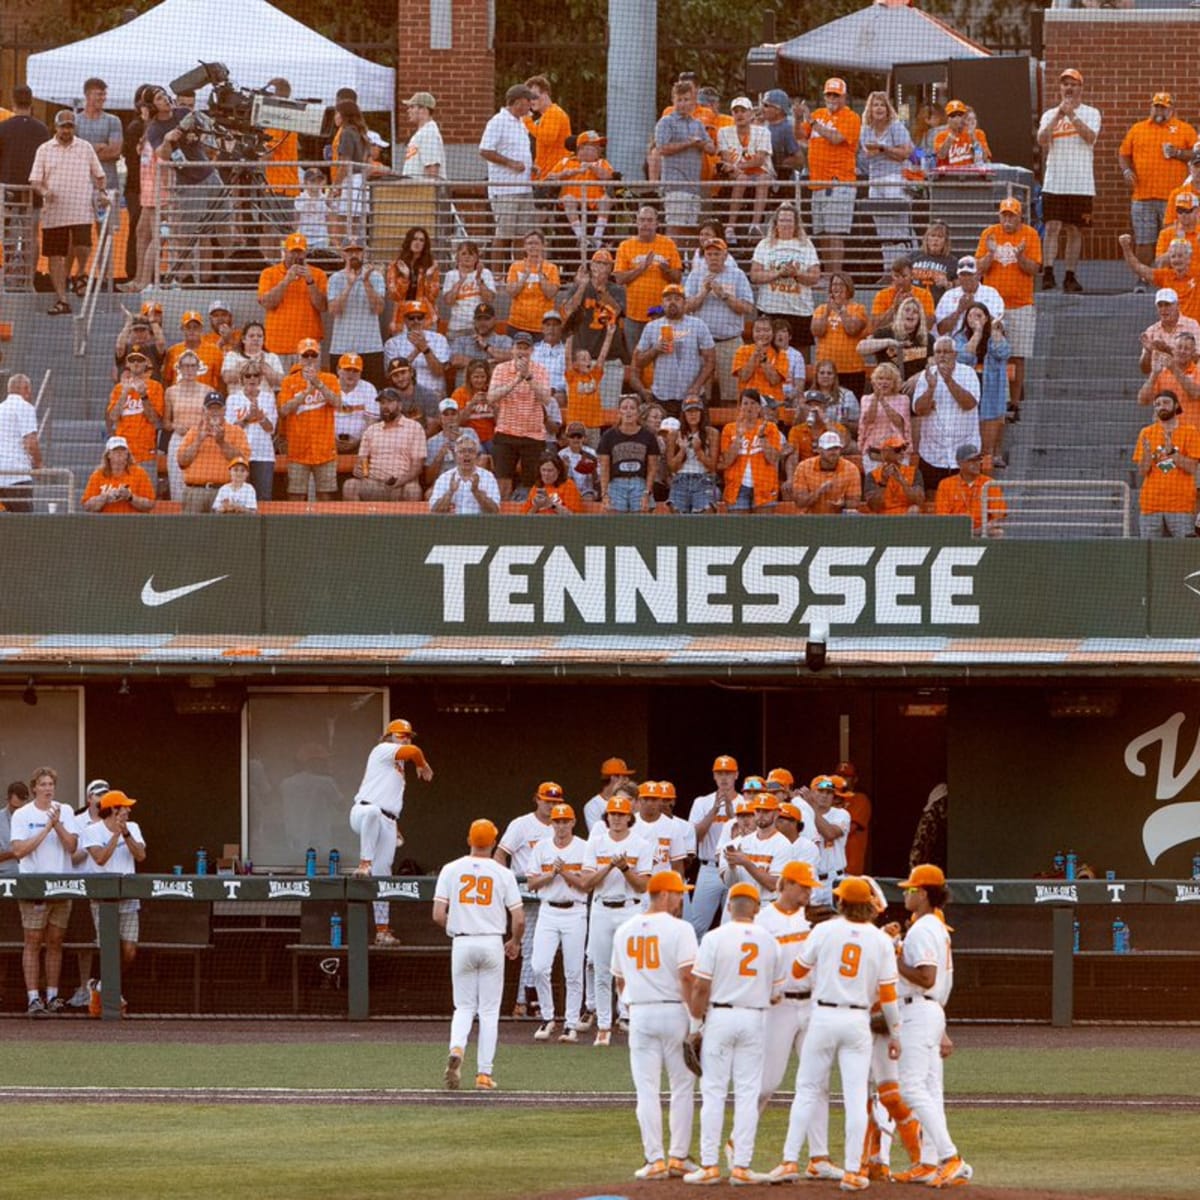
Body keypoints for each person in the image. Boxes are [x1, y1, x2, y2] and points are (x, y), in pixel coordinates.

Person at [767, 876, 901, 1190]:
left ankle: (789, 1160)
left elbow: (798, 971)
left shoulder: (824, 931)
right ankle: (854, 1171)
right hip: (857, 1020)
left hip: (824, 1016)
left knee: (807, 1090)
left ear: (841, 903)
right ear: (868, 905)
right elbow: (889, 997)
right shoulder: (880, 940)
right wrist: (896, 1033)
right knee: (855, 1097)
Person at [683, 882, 781, 1186]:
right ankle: (741, 1166)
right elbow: (777, 994)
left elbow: (700, 986)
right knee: (748, 1093)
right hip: (755, 1017)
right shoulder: (770, 941)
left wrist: (696, 1024)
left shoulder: (713, 938)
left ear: (728, 906)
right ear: (756, 908)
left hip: (720, 1016)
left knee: (713, 1092)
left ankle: (710, 1165)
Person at [754, 859, 841, 1181]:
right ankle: (739, 1147)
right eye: (804, 887)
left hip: (812, 1005)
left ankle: (819, 1158)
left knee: (818, 1082)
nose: (808, 892)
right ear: (787, 884)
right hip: (778, 1006)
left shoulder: (814, 920)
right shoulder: (764, 920)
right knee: (767, 1083)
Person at [611, 869, 700, 1181]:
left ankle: (655, 1160)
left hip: (641, 1013)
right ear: (664, 894)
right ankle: (677, 1156)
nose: (681, 899)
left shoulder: (624, 929)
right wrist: (696, 1019)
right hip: (675, 1011)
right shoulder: (681, 929)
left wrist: (634, 1004)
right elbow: (688, 976)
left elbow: (619, 979)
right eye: (678, 893)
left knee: (646, 1089)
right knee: (682, 1086)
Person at [894, 864, 973, 1188]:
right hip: (930, 1011)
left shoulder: (925, 927)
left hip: (919, 1010)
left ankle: (950, 1157)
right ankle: (928, 1162)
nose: (906, 894)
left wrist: (895, 958)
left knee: (911, 1088)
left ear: (924, 894)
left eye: (910, 890)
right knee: (929, 1091)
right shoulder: (935, 926)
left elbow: (926, 977)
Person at [433, 818, 524, 1092]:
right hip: (491, 941)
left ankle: (457, 1047)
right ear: (494, 842)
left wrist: (457, 928)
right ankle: (484, 1074)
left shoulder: (450, 869)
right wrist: (515, 942)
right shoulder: (502, 873)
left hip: (462, 942)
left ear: (469, 839)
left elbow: (438, 915)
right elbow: (519, 919)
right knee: (488, 1011)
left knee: (463, 1007)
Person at [350, 718, 433, 943]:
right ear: (389, 736)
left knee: (383, 875)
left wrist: (395, 825)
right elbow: (414, 751)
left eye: (407, 735)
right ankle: (364, 863)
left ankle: (382, 930)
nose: (405, 738)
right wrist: (422, 765)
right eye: (400, 734)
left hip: (386, 821)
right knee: (373, 812)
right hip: (363, 812)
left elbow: (389, 799)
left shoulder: (397, 766)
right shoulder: (382, 749)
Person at [581, 795, 651, 1046]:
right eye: (613, 814)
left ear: (630, 817)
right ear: (606, 816)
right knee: (601, 968)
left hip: (629, 908)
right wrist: (609, 867)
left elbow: (643, 886)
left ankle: (629, 1016)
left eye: (622, 814)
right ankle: (603, 1025)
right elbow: (586, 883)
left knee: (630, 967)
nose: (617, 819)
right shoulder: (596, 842)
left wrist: (623, 868)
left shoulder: (642, 843)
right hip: (601, 907)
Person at [10, 767, 79, 1015]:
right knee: (33, 941)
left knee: (55, 941)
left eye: (51, 784)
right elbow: (18, 850)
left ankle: (52, 996)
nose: (48, 788)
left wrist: (57, 823)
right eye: (43, 784)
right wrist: (46, 828)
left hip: (61, 887)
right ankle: (33, 999)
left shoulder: (66, 811)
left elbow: (72, 846)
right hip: (34, 887)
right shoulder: (22, 815)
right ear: (34, 788)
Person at [29, 109, 108, 315]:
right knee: (56, 256)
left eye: (70, 126)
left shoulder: (85, 147)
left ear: (74, 127)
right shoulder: (45, 149)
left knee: (83, 245)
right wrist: (46, 192)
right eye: (63, 126)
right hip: (54, 213)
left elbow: (100, 175)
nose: (67, 130)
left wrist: (101, 192)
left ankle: (80, 273)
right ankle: (62, 299)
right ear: (56, 127)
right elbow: (35, 181)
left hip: (81, 209)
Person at [497, 781, 562, 1021]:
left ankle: (528, 1002)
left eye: (555, 801)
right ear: (537, 798)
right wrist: (506, 886)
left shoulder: (561, 826)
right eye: (547, 800)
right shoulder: (522, 824)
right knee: (530, 949)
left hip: (551, 894)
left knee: (544, 951)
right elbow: (500, 854)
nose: (551, 805)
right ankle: (523, 1001)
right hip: (525, 895)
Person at [525, 801, 589, 1043]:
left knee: (573, 971)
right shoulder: (541, 847)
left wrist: (564, 873)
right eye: (557, 821)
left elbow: (586, 884)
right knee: (539, 966)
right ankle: (548, 1016)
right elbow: (531, 883)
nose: (561, 826)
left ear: (573, 822)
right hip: (548, 910)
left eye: (565, 821)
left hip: (575, 910)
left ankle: (571, 1023)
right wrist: (552, 873)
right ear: (551, 823)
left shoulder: (583, 847)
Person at [975, 198, 1039, 419]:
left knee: (1018, 355)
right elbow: (978, 269)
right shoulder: (989, 234)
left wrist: (1020, 255)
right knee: (993, 353)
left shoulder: (1030, 234)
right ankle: (994, 401)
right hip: (993, 306)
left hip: (1021, 304)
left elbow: (1033, 269)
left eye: (1012, 215)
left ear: (1020, 216)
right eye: (1004, 215)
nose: (1008, 219)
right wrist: (991, 253)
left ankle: (1014, 403)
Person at [1038, 68, 1101, 294]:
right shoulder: (1049, 114)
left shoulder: (1092, 113)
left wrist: (1072, 115)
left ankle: (1070, 275)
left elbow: (1091, 137)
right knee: (1052, 226)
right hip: (1054, 181)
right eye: (1065, 84)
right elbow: (1042, 140)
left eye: (1073, 84)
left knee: (1075, 230)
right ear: (1060, 88)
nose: (1069, 88)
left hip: (1081, 183)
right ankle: (1048, 273)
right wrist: (1058, 115)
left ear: (1080, 88)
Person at [80, 789, 146, 1002]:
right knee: (109, 948)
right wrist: (116, 834)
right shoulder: (92, 830)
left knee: (129, 951)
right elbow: (100, 859)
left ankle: (100, 983)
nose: (128, 810)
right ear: (113, 810)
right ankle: (111, 993)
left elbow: (141, 855)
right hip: (103, 899)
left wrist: (125, 833)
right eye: (124, 807)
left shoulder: (133, 827)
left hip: (128, 897)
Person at [1119, 92, 1196, 271]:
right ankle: (1142, 279)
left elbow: (1196, 154)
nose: (1159, 110)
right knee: (1144, 240)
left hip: (1175, 199)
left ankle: (1174, 277)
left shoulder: (1184, 129)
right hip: (1142, 197)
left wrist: (1178, 153)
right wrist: (1126, 170)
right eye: (1156, 106)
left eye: (1163, 107)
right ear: (1151, 108)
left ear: (1172, 110)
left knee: (1176, 240)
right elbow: (1123, 153)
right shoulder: (1138, 129)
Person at [800, 78, 860, 277]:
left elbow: (836, 138)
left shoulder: (851, 117)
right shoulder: (817, 115)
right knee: (823, 233)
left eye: (836, 95)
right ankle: (828, 276)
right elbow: (800, 137)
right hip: (818, 182)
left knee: (835, 232)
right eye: (829, 94)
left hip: (839, 182)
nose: (832, 98)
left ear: (844, 97)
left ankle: (836, 277)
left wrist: (812, 122)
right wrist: (797, 117)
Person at [683, 237, 755, 400]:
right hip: (701, 345)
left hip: (730, 342)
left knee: (732, 395)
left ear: (725, 255)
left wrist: (723, 295)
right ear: (704, 256)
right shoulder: (695, 275)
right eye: (709, 254)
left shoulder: (737, 275)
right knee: (700, 394)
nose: (713, 257)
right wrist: (703, 293)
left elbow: (748, 308)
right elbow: (685, 308)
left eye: (717, 254)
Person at [488, 330, 555, 498]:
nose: (522, 351)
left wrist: (529, 377)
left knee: (532, 484)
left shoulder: (540, 371)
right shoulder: (501, 369)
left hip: (533, 435)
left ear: (532, 351)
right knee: (503, 483)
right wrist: (516, 379)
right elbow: (491, 397)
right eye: (519, 347)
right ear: (513, 349)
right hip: (506, 432)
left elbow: (546, 399)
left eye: (526, 348)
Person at [749, 203, 821, 353]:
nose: (785, 224)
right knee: (769, 354)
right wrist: (778, 273)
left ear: (796, 224)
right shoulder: (765, 245)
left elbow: (815, 277)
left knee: (800, 358)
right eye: (782, 220)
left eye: (789, 220)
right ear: (775, 223)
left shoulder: (806, 245)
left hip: (800, 311)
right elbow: (754, 275)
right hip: (771, 309)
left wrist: (796, 273)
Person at [913, 337, 981, 492]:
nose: (942, 355)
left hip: (963, 454)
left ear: (955, 354)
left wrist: (948, 380)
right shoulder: (926, 375)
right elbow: (919, 410)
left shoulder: (968, 373)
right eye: (938, 352)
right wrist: (930, 389)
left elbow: (969, 404)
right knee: (933, 503)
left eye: (946, 352)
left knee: (965, 504)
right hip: (932, 454)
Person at [479, 85, 536, 271]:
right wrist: (510, 163)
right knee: (503, 233)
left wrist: (530, 166)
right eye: (529, 101)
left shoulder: (521, 123)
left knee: (522, 236)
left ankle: (517, 272)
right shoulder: (497, 121)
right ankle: (496, 274)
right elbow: (485, 150)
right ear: (518, 101)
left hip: (524, 187)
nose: (531, 105)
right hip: (505, 189)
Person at [278, 340, 342, 502]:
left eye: (313, 355)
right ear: (299, 358)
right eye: (305, 355)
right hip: (298, 449)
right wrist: (305, 392)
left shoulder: (330, 378)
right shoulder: (288, 381)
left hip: (325, 449)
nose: (309, 358)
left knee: (325, 496)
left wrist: (318, 384)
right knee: (296, 496)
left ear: (319, 357)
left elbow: (338, 403)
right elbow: (283, 411)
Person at [633, 283, 716, 405]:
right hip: (662, 396)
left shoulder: (698, 325)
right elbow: (637, 362)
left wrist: (697, 386)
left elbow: (711, 361)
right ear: (662, 304)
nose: (672, 302)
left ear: (685, 302)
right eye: (668, 299)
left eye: (677, 299)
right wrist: (655, 350)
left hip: (691, 396)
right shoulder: (652, 327)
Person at [860, 91, 915, 276]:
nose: (878, 108)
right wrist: (889, 151)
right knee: (883, 228)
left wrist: (883, 148)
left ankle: (907, 269)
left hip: (895, 177)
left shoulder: (896, 126)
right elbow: (868, 153)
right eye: (875, 105)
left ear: (888, 108)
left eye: (882, 105)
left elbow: (906, 153)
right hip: (875, 179)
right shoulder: (866, 128)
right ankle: (889, 270)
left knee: (898, 225)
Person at [614, 206, 683, 352]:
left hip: (661, 314)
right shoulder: (625, 246)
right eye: (642, 220)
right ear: (637, 222)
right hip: (634, 315)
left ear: (657, 224)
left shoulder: (668, 244)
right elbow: (619, 279)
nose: (645, 224)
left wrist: (667, 271)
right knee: (637, 358)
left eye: (650, 220)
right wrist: (641, 268)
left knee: (663, 359)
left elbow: (677, 278)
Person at [1133, 390, 1200, 538]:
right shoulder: (1146, 433)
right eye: (1157, 404)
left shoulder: (1190, 432)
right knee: (1150, 555)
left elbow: (1192, 467)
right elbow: (1142, 472)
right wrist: (1147, 455)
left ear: (1176, 406)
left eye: (1165, 402)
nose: (1161, 407)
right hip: (1151, 505)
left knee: (1183, 554)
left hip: (1181, 505)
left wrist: (1172, 453)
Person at [656, 80, 716, 242]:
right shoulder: (666, 122)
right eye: (679, 100)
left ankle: (687, 265)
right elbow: (662, 149)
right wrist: (688, 144)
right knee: (675, 227)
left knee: (691, 230)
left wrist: (700, 144)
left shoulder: (697, 124)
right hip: (674, 185)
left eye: (686, 100)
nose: (683, 104)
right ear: (673, 101)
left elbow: (711, 149)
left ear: (693, 101)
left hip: (693, 187)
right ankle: (673, 262)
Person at [0, 85, 49, 282]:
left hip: (9, 190)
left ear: (13, 101)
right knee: (32, 235)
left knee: (9, 235)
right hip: (34, 191)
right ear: (31, 102)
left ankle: (9, 274)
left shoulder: (3, 127)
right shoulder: (42, 129)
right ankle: (29, 277)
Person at [954, 302, 1011, 467]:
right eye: (971, 315)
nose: (975, 319)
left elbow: (1003, 352)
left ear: (987, 318)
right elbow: (963, 358)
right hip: (968, 389)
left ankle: (990, 459)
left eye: (979, 316)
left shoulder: (996, 334)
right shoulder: (960, 337)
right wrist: (977, 334)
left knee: (987, 447)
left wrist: (994, 331)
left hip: (990, 392)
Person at [175, 391, 252, 513]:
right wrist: (198, 440)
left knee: (220, 531)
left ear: (224, 410)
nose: (214, 412)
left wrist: (221, 442)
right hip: (195, 492)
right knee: (191, 531)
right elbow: (182, 461)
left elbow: (242, 461)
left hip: (225, 492)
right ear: (204, 410)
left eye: (218, 408)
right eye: (211, 408)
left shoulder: (236, 431)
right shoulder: (195, 431)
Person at [257, 233, 328, 361]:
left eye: (300, 252)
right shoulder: (269, 273)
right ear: (285, 251)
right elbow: (267, 303)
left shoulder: (318, 274)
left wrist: (310, 282)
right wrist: (286, 281)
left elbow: (322, 306)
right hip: (277, 346)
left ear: (306, 253)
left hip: (308, 348)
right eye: (292, 252)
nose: (296, 256)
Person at [328, 237, 386, 387]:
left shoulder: (375, 277)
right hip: (342, 347)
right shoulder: (335, 278)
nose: (354, 255)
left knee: (374, 393)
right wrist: (349, 285)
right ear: (343, 254)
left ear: (363, 253)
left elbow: (379, 309)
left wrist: (366, 282)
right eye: (349, 251)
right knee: (340, 393)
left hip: (371, 346)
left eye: (357, 251)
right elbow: (334, 310)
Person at [546, 131, 613, 252]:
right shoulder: (566, 162)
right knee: (568, 199)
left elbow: (608, 176)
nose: (599, 149)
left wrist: (591, 167)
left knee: (606, 200)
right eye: (594, 147)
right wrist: (569, 172)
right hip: (572, 201)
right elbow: (550, 177)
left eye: (598, 147)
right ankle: (581, 237)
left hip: (594, 203)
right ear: (581, 149)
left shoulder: (602, 163)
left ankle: (597, 238)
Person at [717, 389, 782, 512]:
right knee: (738, 529)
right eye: (745, 403)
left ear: (759, 407)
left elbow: (773, 459)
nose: (749, 407)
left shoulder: (770, 428)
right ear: (740, 407)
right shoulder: (729, 429)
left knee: (763, 529)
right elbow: (727, 461)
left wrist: (762, 437)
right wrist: (738, 438)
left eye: (753, 403)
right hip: (737, 487)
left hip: (765, 486)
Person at [717, 96, 772, 243]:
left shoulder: (763, 132)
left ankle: (755, 224)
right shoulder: (723, 132)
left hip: (759, 171)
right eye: (736, 111)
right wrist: (737, 168)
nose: (739, 114)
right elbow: (726, 158)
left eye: (743, 111)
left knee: (763, 178)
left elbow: (760, 159)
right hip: (735, 173)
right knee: (741, 178)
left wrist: (738, 166)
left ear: (751, 114)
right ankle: (730, 227)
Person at [106, 350, 163, 478]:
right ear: (128, 364)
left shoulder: (155, 387)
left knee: (146, 493)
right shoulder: (118, 389)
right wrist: (124, 394)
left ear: (146, 363)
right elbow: (113, 417)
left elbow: (154, 419)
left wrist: (144, 396)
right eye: (132, 360)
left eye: (140, 360)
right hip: (122, 452)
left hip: (145, 450)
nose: (136, 363)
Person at [598, 393, 659, 513]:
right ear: (619, 412)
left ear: (637, 413)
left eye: (632, 408)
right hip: (616, 483)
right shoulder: (608, 436)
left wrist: (647, 493)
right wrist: (605, 494)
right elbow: (604, 467)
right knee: (616, 523)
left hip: (640, 483)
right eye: (624, 408)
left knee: (641, 521)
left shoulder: (649, 436)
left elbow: (652, 468)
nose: (628, 411)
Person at [811, 273, 868, 398]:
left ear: (848, 287)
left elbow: (852, 329)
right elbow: (816, 331)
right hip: (826, 371)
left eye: (841, 284)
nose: (838, 288)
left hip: (852, 369)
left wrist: (841, 310)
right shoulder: (821, 309)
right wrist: (827, 311)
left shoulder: (858, 309)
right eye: (835, 284)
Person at [934, 442, 1007, 534]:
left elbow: (999, 517)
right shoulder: (946, 484)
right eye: (971, 460)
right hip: (954, 532)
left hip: (983, 531)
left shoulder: (989, 483)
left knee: (998, 532)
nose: (976, 463)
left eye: (978, 460)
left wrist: (977, 531)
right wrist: (962, 532)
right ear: (960, 463)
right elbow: (942, 517)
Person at [664, 396, 719, 514]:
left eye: (696, 411)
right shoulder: (674, 435)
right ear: (684, 414)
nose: (693, 415)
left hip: (703, 479)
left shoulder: (712, 433)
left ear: (702, 413)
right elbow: (671, 467)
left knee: (706, 513)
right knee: (677, 518)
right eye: (689, 411)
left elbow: (713, 466)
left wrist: (699, 451)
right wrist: (682, 450)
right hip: (680, 480)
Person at [385, 302, 451, 400]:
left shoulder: (439, 339)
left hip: (434, 392)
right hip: (405, 395)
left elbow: (439, 372)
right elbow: (391, 375)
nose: (416, 321)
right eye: (411, 318)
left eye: (419, 317)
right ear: (405, 320)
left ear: (425, 319)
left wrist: (425, 349)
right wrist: (416, 351)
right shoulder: (392, 343)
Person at [791, 430, 860, 515]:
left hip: (839, 519)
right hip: (810, 518)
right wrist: (819, 491)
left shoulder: (851, 469)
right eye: (829, 449)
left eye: (836, 448)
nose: (834, 452)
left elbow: (855, 502)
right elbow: (800, 502)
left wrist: (844, 503)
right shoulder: (804, 467)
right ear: (819, 450)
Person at [386, 226, 440, 334]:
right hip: (402, 317)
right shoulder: (395, 265)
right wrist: (405, 277)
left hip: (425, 317)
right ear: (408, 241)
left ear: (425, 245)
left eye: (421, 240)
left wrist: (428, 277)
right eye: (414, 239)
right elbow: (394, 295)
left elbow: (433, 296)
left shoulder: (431, 265)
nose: (417, 242)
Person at [81, 435, 155, 513]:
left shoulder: (139, 473)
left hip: (132, 522)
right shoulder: (98, 475)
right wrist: (105, 497)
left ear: (127, 454)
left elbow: (150, 504)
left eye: (123, 450)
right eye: (115, 450)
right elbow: (87, 506)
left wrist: (130, 497)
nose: (119, 453)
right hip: (105, 522)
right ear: (108, 455)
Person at [0, 374, 42, 513]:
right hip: (17, 476)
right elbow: (31, 442)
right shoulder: (25, 407)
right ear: (25, 389)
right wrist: (39, 465)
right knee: (25, 526)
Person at [428, 435, 501, 514]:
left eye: (471, 451)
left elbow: (494, 511)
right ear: (455, 456)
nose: (466, 454)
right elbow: (434, 511)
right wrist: (450, 492)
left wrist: (476, 491)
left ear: (476, 456)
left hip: (479, 524)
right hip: (452, 524)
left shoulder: (487, 477)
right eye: (462, 451)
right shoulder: (445, 478)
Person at [934, 255, 1005, 336]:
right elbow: (940, 330)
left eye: (970, 274)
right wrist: (959, 311)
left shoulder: (991, 293)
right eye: (963, 274)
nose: (966, 278)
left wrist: (975, 306)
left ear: (979, 275)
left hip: (985, 341)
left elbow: (999, 327)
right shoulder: (949, 295)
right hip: (955, 343)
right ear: (958, 277)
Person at [524, 75, 573, 189]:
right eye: (529, 98)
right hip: (546, 175)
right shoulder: (546, 116)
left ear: (545, 94)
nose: (531, 101)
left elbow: (547, 139)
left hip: (552, 176)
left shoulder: (554, 113)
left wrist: (527, 121)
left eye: (534, 96)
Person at [870, 256, 936, 333]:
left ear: (912, 275)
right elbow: (875, 326)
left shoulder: (924, 294)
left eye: (904, 276)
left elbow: (929, 326)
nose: (900, 281)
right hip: (889, 335)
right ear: (892, 275)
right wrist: (894, 307)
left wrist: (916, 305)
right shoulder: (882, 295)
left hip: (915, 335)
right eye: (896, 276)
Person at [864, 434, 923, 516]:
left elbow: (919, 501)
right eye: (898, 450)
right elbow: (874, 506)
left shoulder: (914, 472)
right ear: (885, 452)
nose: (902, 452)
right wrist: (883, 483)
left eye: (904, 449)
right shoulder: (872, 475)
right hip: (883, 516)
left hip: (905, 515)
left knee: (914, 509)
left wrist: (902, 482)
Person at [450, 302, 513, 376]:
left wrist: (486, 346)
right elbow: (455, 361)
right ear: (474, 321)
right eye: (479, 319)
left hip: (493, 387)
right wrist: (486, 363)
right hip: (465, 387)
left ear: (495, 320)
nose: (482, 323)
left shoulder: (504, 340)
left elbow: (509, 358)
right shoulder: (461, 341)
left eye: (487, 319)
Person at [401, 91, 444, 179]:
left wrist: (429, 192)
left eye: (412, 107)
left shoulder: (429, 133)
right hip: (416, 190)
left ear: (424, 109)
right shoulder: (423, 132)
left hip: (423, 191)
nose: (408, 110)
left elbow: (432, 168)